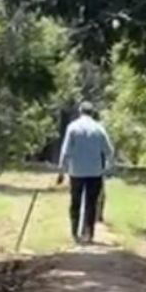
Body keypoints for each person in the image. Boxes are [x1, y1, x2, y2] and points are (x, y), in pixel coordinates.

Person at [57, 101, 114, 243]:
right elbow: (109, 151)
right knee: (91, 203)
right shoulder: (99, 129)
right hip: (95, 172)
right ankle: (88, 234)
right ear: (92, 112)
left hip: (76, 171)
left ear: (80, 111)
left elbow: (65, 151)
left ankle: (74, 233)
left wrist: (61, 171)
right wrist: (107, 167)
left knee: (75, 202)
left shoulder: (73, 127)